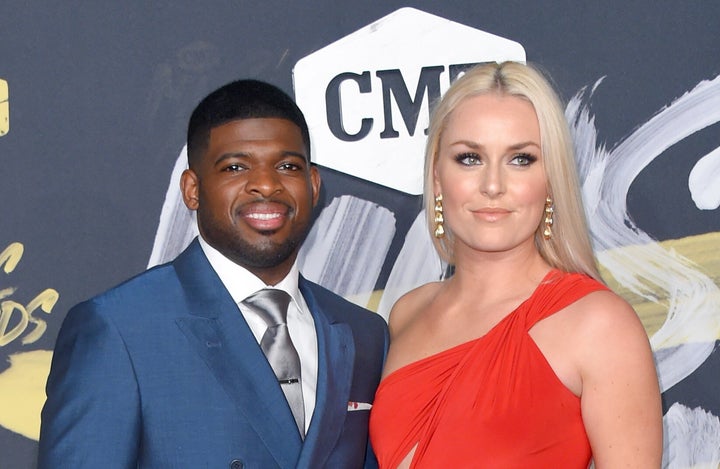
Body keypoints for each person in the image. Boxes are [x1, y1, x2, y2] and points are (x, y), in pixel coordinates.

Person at [39, 79, 389, 468]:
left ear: (313, 184)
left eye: (287, 166)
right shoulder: (120, 329)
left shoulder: (363, 333)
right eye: (236, 167)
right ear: (192, 189)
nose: (266, 185)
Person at [368, 62, 662, 468]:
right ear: (437, 178)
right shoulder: (408, 313)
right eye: (469, 158)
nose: (492, 185)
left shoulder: (599, 324)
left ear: (552, 179)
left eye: (520, 159)